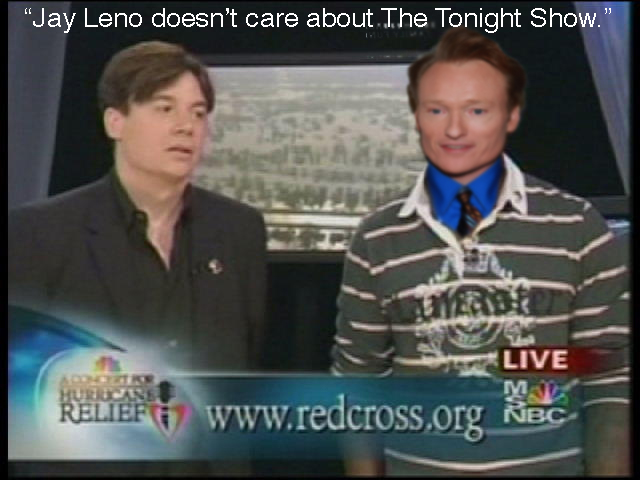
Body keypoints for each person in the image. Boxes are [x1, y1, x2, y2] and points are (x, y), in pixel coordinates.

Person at [332, 27, 629, 476]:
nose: (454, 129)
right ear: (416, 116)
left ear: (511, 115)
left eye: (476, 110)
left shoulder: (576, 227)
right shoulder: (377, 238)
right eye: (437, 110)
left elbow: (608, 377)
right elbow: (357, 381)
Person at [9, 41, 267, 475]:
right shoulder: (39, 233)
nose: (186, 126)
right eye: (165, 108)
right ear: (116, 122)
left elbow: (244, 362)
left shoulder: (239, 230)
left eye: (198, 113)